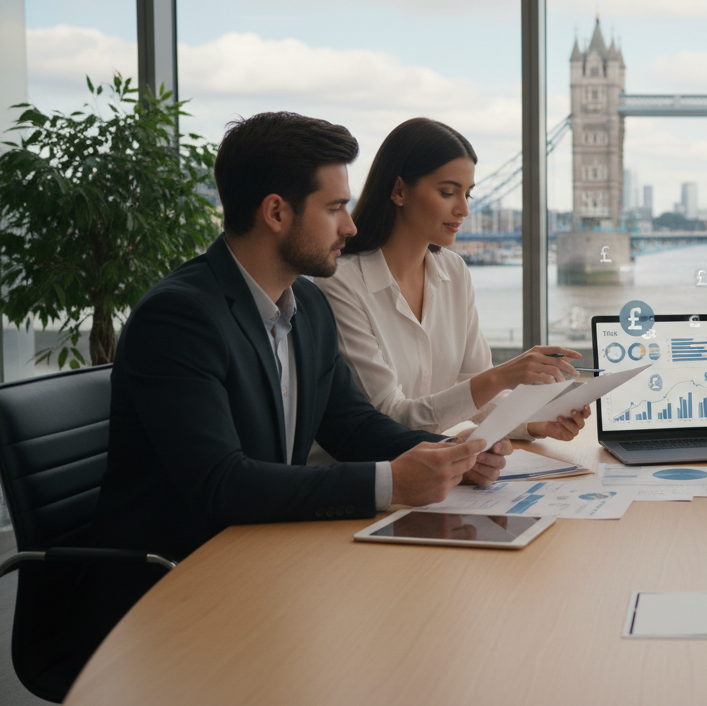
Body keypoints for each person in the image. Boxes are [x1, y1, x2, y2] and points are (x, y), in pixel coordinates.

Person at [93, 112, 511, 631]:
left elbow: (352, 424)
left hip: (269, 556)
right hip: (173, 586)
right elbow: (220, 484)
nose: (352, 226)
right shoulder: (180, 318)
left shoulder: (306, 306)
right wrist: (391, 481)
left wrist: (443, 457)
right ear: (276, 212)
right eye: (335, 207)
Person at [310, 117, 589, 450]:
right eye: (448, 192)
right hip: (367, 480)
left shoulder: (454, 270)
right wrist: (501, 376)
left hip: (438, 470)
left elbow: (475, 390)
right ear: (399, 190)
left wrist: (534, 421)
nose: (464, 209)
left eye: (468, 194)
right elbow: (387, 419)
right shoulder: (340, 283)